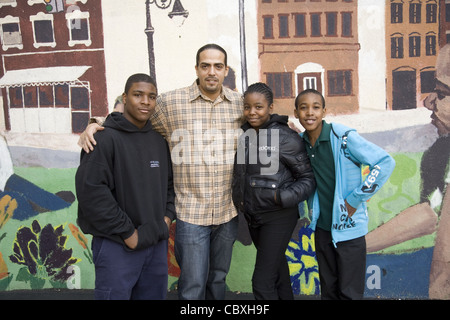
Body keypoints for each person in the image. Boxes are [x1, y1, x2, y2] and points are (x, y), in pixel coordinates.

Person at [77, 44, 243, 300]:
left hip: (226, 212)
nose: (212, 72)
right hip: (191, 213)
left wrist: (284, 123)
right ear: (197, 69)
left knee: (217, 280)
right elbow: (132, 114)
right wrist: (95, 123)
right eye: (205, 65)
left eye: (218, 66)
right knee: (193, 285)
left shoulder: (239, 105)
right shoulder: (171, 102)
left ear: (226, 70)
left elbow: (263, 115)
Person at [75, 73, 176, 300]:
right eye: (138, 95)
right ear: (125, 97)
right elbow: (92, 193)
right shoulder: (103, 139)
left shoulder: (159, 142)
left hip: (155, 244)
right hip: (117, 245)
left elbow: (169, 186)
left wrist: (166, 220)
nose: (145, 101)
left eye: (151, 96)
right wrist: (128, 233)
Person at [294, 89, 395, 300]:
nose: (309, 113)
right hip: (322, 228)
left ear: (324, 111)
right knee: (329, 291)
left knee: (349, 293)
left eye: (315, 107)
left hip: (349, 230)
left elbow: (385, 162)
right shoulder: (300, 143)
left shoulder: (343, 138)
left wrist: (355, 199)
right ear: (296, 113)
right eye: (303, 108)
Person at [232, 83, 315, 299]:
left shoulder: (285, 137)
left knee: (261, 282)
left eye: (258, 107)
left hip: (277, 217)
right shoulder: (245, 136)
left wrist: (281, 197)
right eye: (247, 107)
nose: (252, 112)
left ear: (270, 107)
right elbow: (242, 176)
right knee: (277, 272)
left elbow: (307, 179)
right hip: (254, 216)